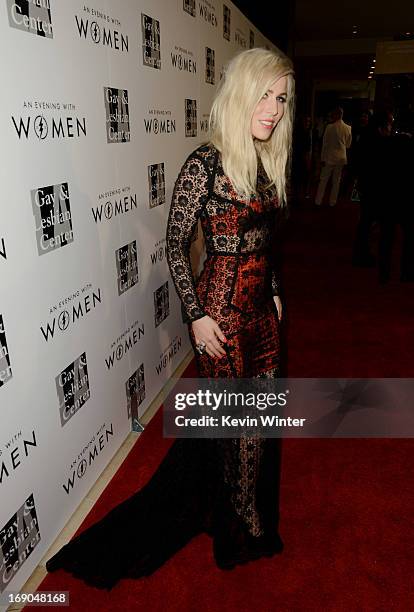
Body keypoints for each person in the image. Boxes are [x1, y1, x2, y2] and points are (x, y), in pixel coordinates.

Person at [46, 47, 295, 589]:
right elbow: (175, 246)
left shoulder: (267, 159)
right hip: (221, 314)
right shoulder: (205, 164)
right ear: (240, 94)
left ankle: (251, 518)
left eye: (282, 98)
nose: (274, 108)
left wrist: (274, 288)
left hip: (261, 315)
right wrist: (196, 315)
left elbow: (266, 241)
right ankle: (235, 528)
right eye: (266, 94)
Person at [315, 107, 352, 207]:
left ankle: (318, 201)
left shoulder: (330, 127)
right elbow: (348, 145)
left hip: (329, 158)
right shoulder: (348, 128)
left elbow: (325, 144)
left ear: (337, 115)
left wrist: (322, 158)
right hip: (341, 158)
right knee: (336, 181)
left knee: (323, 180)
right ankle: (332, 202)